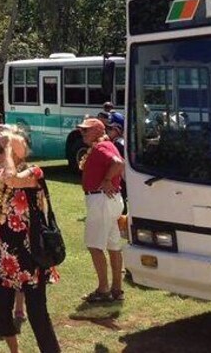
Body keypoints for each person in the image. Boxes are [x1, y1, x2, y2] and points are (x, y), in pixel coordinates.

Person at [0, 131, 61, 353]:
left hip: (29, 255)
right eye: (0, 148)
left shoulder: (34, 173)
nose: (0, 151)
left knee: (37, 313)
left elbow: (13, 180)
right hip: (2, 255)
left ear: (23, 151)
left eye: (6, 147)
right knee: (2, 312)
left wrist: (9, 151)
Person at [76, 118, 125, 303]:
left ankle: (103, 289)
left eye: (86, 130)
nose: (83, 134)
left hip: (101, 200)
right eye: (82, 130)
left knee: (95, 245)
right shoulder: (106, 144)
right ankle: (117, 289)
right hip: (109, 201)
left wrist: (106, 180)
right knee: (113, 245)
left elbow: (119, 163)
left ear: (98, 131)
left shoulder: (101, 147)